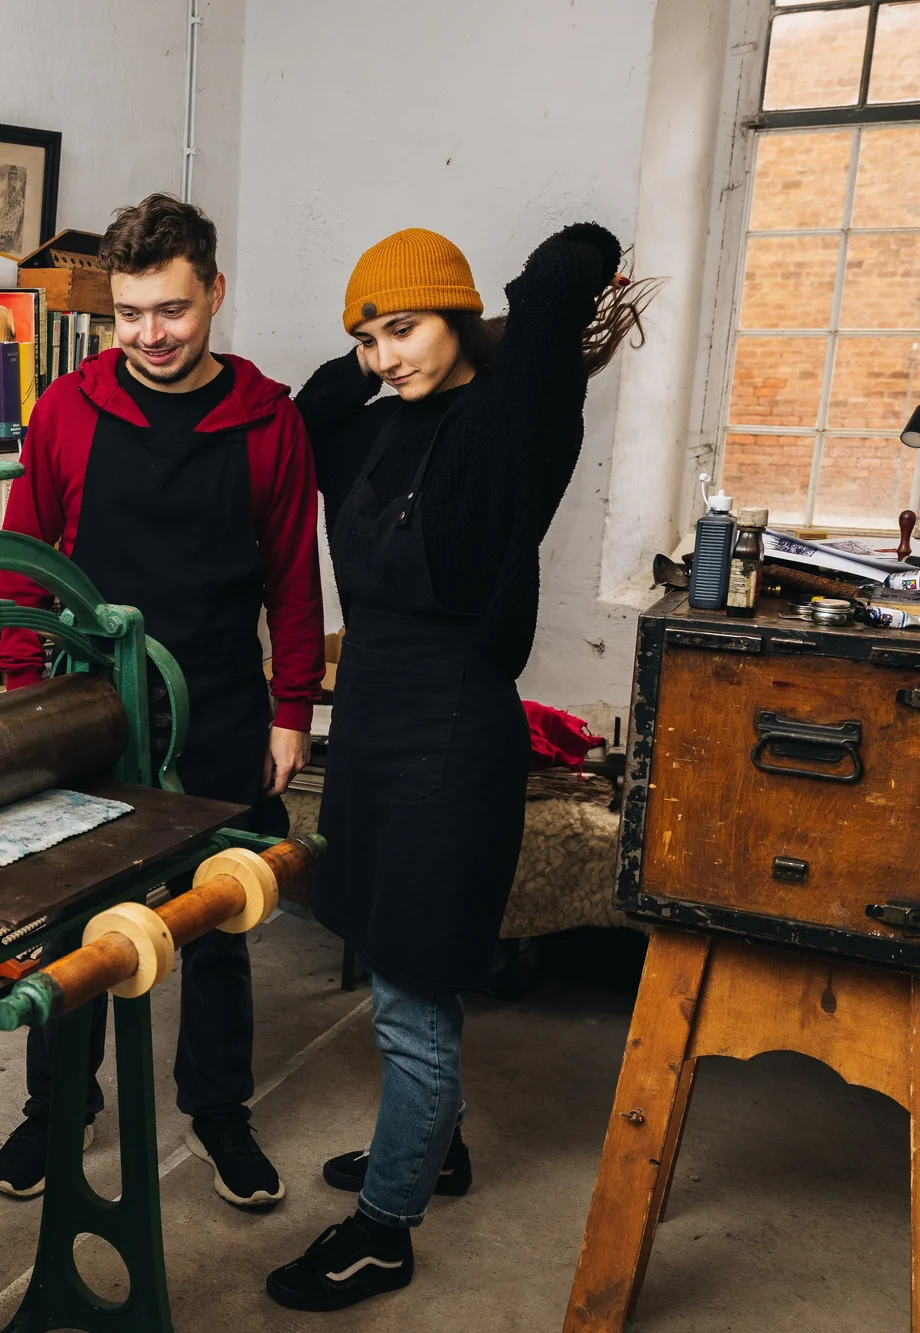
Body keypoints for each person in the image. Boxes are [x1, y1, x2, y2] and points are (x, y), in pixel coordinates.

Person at [265, 223, 653, 1311]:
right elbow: (304, 423)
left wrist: (501, 315)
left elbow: (563, 265)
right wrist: (364, 358)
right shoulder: (374, 425)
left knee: (410, 990)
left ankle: (383, 1232)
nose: (384, 356)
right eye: (366, 337)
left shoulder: (515, 422)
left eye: (403, 328)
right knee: (394, 952)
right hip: (375, 729)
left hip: (450, 734)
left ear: (459, 314)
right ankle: (435, 1148)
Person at [0, 194, 325, 1208]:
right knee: (72, 927)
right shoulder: (68, 411)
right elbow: (22, 568)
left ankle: (217, 1108)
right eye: (129, 314)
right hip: (89, 714)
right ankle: (57, 1109)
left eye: (170, 310)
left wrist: (289, 709)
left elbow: (292, 579)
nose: (148, 335)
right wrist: (17, 710)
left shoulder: (267, 421)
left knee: (218, 917)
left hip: (220, 705)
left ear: (213, 295)